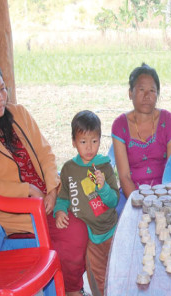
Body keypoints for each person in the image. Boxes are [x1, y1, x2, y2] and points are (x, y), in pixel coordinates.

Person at [0, 59, 88, 295]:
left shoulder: (18, 113)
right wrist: (27, 189)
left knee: (87, 223)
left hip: (48, 198)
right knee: (71, 235)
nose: (1, 97)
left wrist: (51, 188)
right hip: (19, 211)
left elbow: (46, 153)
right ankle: (69, 290)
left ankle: (72, 287)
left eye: (3, 89)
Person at [54, 110, 119, 296]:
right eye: (83, 142)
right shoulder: (68, 169)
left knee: (117, 270)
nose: (89, 148)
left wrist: (103, 186)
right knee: (97, 274)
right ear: (74, 142)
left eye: (94, 141)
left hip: (111, 230)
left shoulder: (104, 166)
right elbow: (63, 197)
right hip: (90, 236)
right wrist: (60, 211)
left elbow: (114, 200)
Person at [112, 63, 171, 199]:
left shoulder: (167, 120)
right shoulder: (120, 125)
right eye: (141, 89)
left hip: (165, 193)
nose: (147, 96)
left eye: (152, 91)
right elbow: (124, 177)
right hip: (132, 195)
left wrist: (164, 200)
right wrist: (138, 203)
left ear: (158, 94)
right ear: (131, 93)